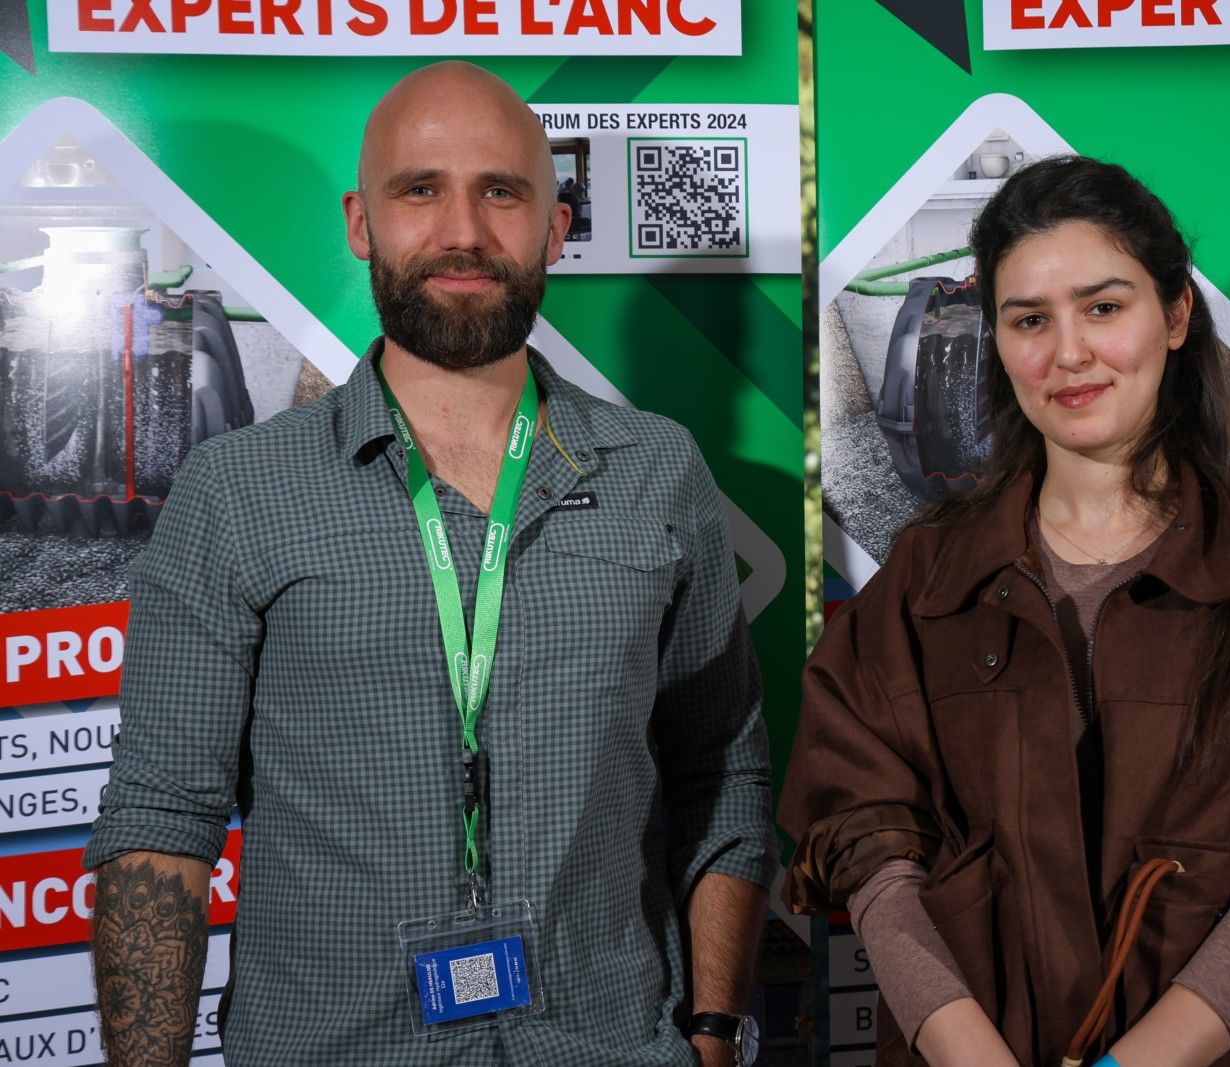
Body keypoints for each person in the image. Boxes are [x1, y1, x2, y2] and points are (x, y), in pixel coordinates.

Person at [85, 62, 776, 1067]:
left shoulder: (658, 472)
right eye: (421, 190)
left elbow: (722, 767)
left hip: (608, 1044)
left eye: (501, 191)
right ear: (361, 223)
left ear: (555, 226)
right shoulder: (237, 491)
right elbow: (162, 818)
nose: (463, 230)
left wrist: (712, 1029)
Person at [779, 156, 1230, 1067]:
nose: (1068, 353)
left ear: (1175, 315)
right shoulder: (924, 581)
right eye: (1030, 319)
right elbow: (870, 849)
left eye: (1103, 307)